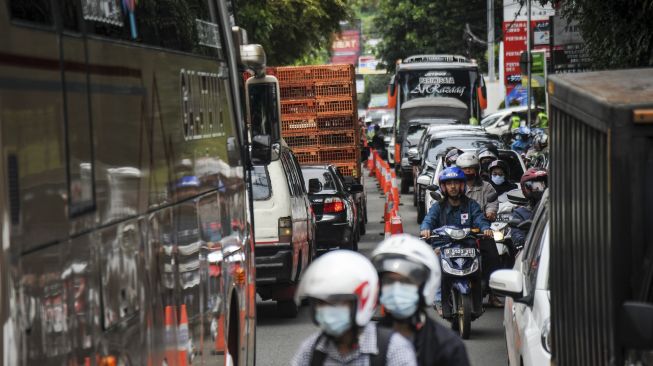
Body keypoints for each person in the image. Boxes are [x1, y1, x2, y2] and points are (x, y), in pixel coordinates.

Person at [292, 250, 417, 366]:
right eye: (321, 303)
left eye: (336, 302)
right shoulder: (311, 351)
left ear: (362, 301)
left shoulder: (393, 350)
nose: (326, 309)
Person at [372, 234, 471, 366]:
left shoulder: (448, 347)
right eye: (389, 281)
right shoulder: (366, 345)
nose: (397, 289)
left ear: (426, 285)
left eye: (407, 281)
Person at [419, 167, 492, 238]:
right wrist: (425, 228)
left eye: (456, 183)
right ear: (444, 187)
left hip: (467, 245)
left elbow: (479, 218)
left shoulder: (472, 205)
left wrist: (485, 228)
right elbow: (429, 219)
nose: (453, 186)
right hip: (442, 245)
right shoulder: (438, 206)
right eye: (449, 183)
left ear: (462, 185)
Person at [511, 168, 548, 250]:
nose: (541, 189)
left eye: (544, 184)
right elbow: (516, 234)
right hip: (534, 252)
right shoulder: (520, 212)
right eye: (536, 186)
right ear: (526, 188)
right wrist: (521, 240)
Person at [455, 152, 498, 221]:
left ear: (477, 169)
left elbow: (492, 203)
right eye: (464, 168)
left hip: (480, 223)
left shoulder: (486, 186)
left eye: (471, 168)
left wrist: (490, 212)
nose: (468, 170)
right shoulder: (454, 186)